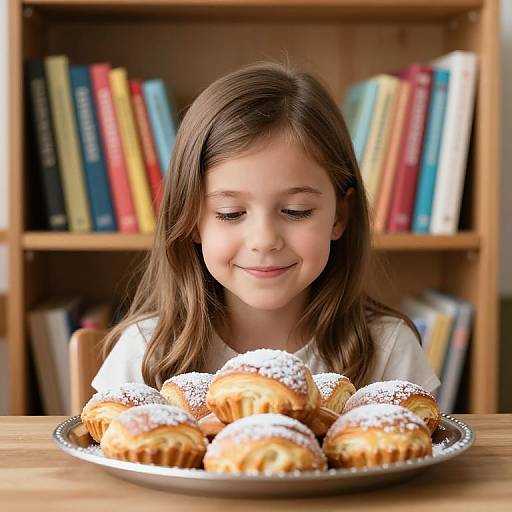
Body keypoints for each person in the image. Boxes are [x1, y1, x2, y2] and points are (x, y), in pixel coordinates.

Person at [92, 61, 440, 394]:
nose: (264, 241)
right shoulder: (146, 352)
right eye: (230, 213)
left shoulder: (388, 351)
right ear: (191, 220)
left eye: (295, 210)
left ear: (339, 217)